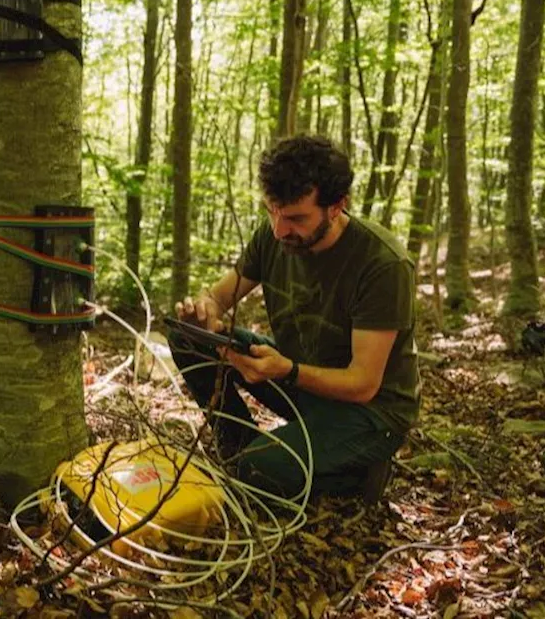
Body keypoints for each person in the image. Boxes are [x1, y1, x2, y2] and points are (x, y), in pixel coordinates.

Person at [170, 135, 420, 504]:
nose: (279, 230)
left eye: (296, 219)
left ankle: (353, 473)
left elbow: (363, 384)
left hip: (371, 412)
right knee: (185, 336)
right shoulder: (274, 236)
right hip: (298, 377)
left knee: (254, 472)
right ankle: (238, 445)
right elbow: (218, 297)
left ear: (336, 207)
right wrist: (203, 312)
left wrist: (285, 371)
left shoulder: (381, 264)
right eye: (272, 212)